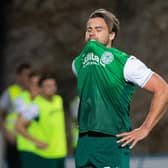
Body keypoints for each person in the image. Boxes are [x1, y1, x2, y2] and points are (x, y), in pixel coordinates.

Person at [72, 8, 168, 168]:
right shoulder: (77, 64)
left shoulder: (127, 63)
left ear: (112, 35)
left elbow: (163, 89)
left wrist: (145, 128)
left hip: (111, 142)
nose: (92, 33)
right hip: (83, 144)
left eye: (98, 29)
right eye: (89, 29)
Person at [15, 74, 67, 168]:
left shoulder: (58, 100)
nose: (51, 88)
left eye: (53, 85)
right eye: (47, 86)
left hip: (60, 153)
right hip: (45, 155)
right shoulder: (35, 106)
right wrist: (36, 141)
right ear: (41, 88)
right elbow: (19, 126)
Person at [0, 63, 31, 168]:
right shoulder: (10, 92)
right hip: (13, 139)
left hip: (30, 139)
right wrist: (6, 133)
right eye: (25, 75)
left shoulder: (34, 92)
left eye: (29, 75)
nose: (28, 78)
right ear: (18, 76)